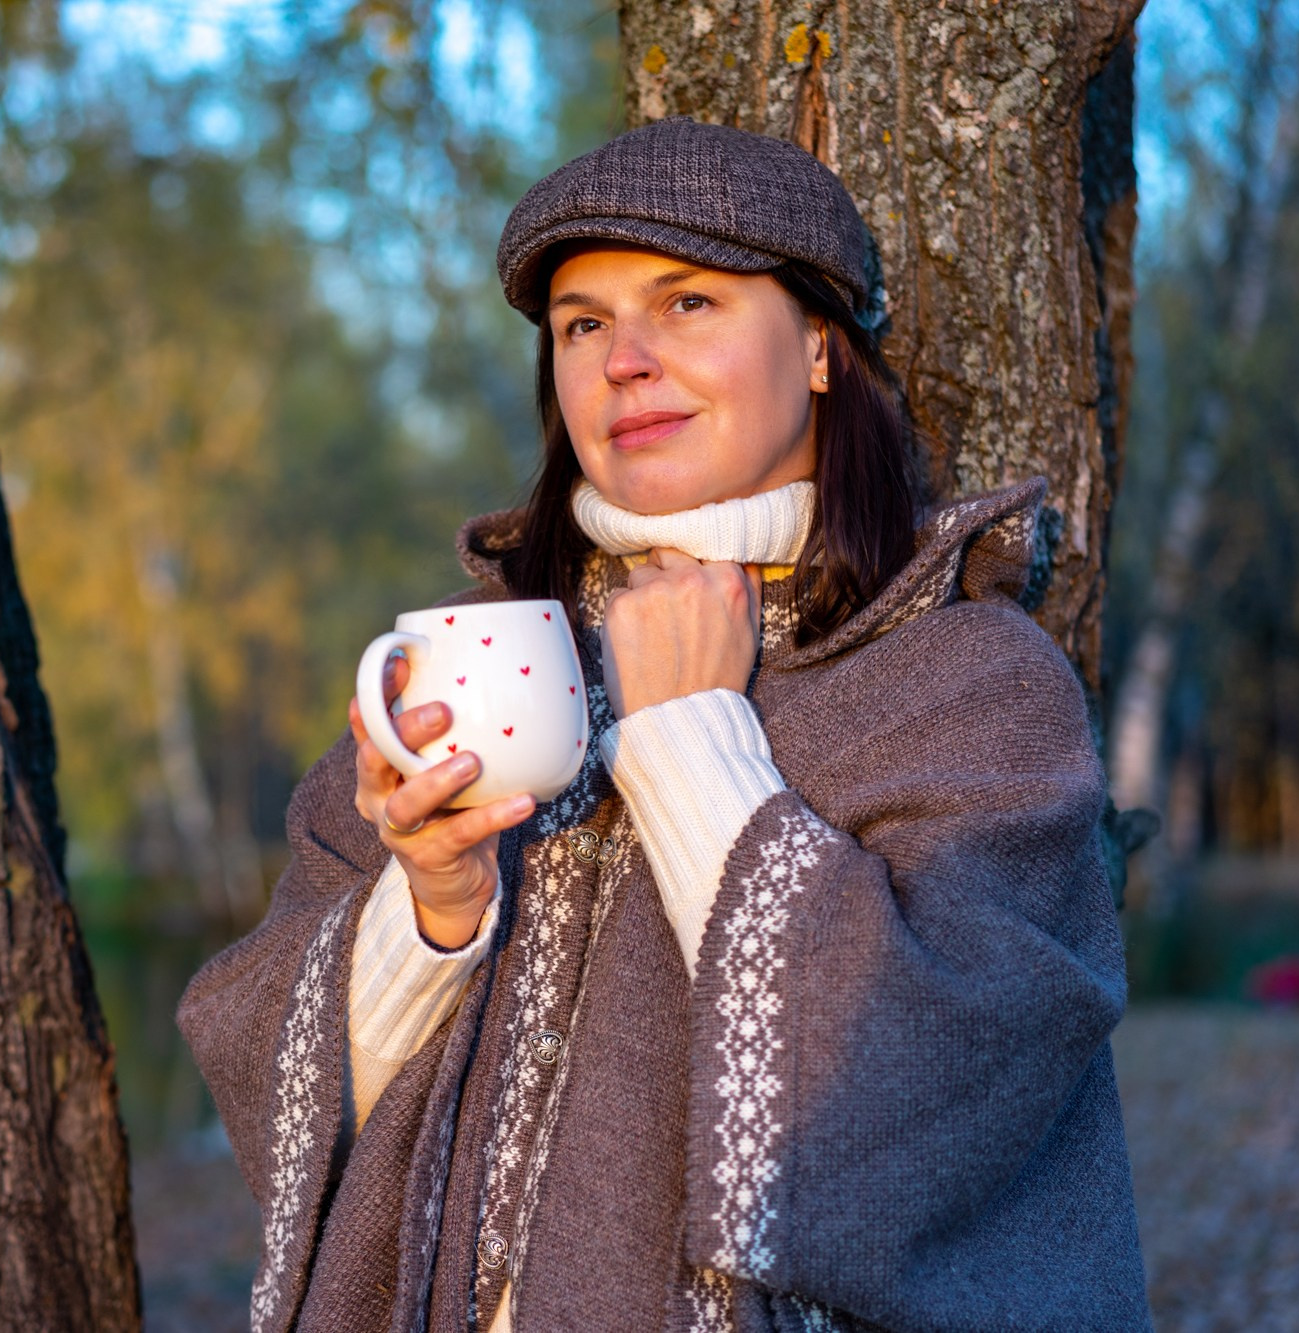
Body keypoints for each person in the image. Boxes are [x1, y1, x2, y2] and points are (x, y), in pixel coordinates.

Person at [179, 117, 1152, 1333]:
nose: (621, 361)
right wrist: (431, 909)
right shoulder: (487, 662)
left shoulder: (967, 685)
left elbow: (950, 1084)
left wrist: (692, 730)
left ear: (815, 345)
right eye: (582, 323)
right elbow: (263, 1059)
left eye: (686, 303)